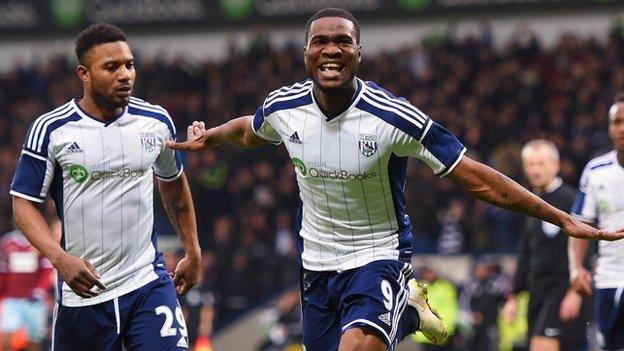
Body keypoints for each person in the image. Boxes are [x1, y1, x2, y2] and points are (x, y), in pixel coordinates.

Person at [168, 8, 624, 351]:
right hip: (317, 262)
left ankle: (397, 308)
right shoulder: (284, 108)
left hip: (378, 254)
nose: (331, 50)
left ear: (358, 53)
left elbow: (477, 178)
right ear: (305, 52)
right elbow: (248, 131)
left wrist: (561, 217)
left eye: (343, 42)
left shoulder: (392, 118)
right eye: (320, 41)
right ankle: (406, 314)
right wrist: (210, 137)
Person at [9, 23, 201, 350]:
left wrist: (193, 249)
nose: (125, 74)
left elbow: (173, 184)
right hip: (84, 295)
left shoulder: (155, 122)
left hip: (147, 283)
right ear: (84, 74)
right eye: (111, 67)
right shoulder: (52, 130)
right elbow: (23, 205)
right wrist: (60, 258)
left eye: (129, 64)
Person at [503, 140, 588, 351]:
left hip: (562, 290)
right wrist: (514, 295)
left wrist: (575, 292)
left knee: (541, 346)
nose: (535, 170)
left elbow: (585, 248)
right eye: (530, 164)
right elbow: (526, 251)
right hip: (537, 292)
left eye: (541, 163)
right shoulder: (530, 203)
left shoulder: (570, 200)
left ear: (555, 166)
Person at [569, 95, 624, 350]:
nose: (621, 127)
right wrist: (577, 267)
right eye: (616, 121)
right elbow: (580, 225)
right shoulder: (596, 171)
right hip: (609, 278)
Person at [0, 227, 54, 351]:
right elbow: (3, 271)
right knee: (7, 334)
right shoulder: (8, 241)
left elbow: (47, 269)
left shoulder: (39, 240)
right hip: (12, 299)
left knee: (35, 339)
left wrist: (40, 291)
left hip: (33, 301)